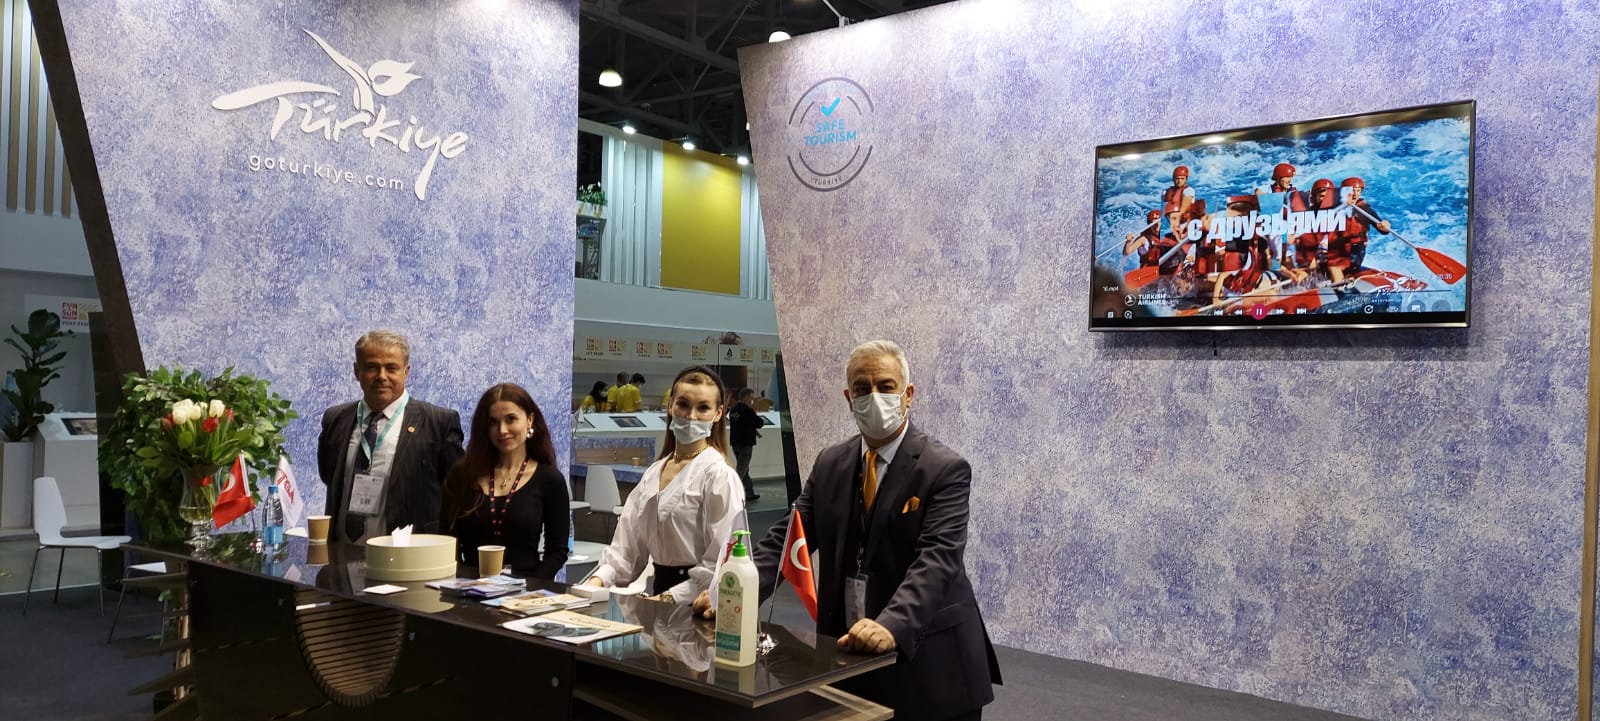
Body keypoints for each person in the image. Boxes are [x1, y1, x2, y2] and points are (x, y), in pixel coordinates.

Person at [695, 340, 1001, 721]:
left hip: (931, 668)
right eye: (861, 388)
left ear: (908, 395)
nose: (873, 397)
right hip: (850, 656)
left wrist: (892, 624)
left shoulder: (944, 469)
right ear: (848, 397)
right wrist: (734, 592)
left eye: (886, 386)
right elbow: (789, 537)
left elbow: (938, 560)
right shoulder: (831, 463)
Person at [579, 365, 745, 604]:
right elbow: (625, 551)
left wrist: (667, 599)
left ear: (718, 413)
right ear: (670, 405)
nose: (691, 416)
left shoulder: (719, 476)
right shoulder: (654, 473)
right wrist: (594, 583)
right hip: (658, 596)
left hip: (698, 603)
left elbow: (720, 563)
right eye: (683, 405)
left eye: (703, 408)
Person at [317, 330, 465, 543]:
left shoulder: (438, 422)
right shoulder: (335, 419)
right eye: (372, 367)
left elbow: (457, 493)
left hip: (407, 554)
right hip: (341, 552)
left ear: (406, 372)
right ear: (357, 371)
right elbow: (328, 476)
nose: (381, 376)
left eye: (391, 368)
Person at [440, 383, 570, 579]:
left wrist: (530, 589)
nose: (502, 430)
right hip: (468, 589)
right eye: (493, 422)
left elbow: (557, 551)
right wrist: (463, 584)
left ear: (530, 420)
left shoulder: (550, 480)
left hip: (527, 590)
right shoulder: (461, 477)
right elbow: (448, 543)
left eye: (511, 419)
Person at [727, 388, 762, 502]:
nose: (752, 399)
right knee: (741, 470)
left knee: (744, 468)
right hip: (745, 444)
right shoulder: (747, 410)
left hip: (735, 443)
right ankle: (729, 494)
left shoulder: (733, 410)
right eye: (751, 396)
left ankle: (749, 492)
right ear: (746, 397)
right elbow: (759, 423)